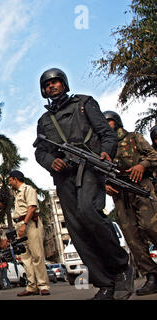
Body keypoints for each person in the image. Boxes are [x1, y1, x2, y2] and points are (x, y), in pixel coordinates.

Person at [34, 68, 133, 300]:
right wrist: (52, 161)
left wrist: (107, 153)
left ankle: (121, 266)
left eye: (56, 82)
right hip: (64, 177)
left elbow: (107, 135)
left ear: (65, 84)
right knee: (77, 230)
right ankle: (104, 283)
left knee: (89, 211)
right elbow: (40, 151)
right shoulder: (44, 121)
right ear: (44, 91)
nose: (52, 86)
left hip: (90, 168)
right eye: (48, 85)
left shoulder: (84, 103)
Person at [103, 111, 157, 296]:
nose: (108, 125)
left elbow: (153, 155)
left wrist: (142, 165)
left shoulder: (134, 138)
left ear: (117, 122)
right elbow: (98, 172)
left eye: (110, 122)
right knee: (132, 238)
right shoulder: (104, 148)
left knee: (151, 226)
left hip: (141, 188)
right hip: (120, 195)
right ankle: (152, 275)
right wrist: (105, 185)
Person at [7, 170, 50, 296]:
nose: (9, 183)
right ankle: (32, 286)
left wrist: (24, 224)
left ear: (15, 179)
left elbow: (32, 208)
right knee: (25, 257)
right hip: (20, 225)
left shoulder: (28, 189)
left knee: (37, 255)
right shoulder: (16, 193)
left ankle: (43, 285)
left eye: (10, 180)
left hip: (30, 224)